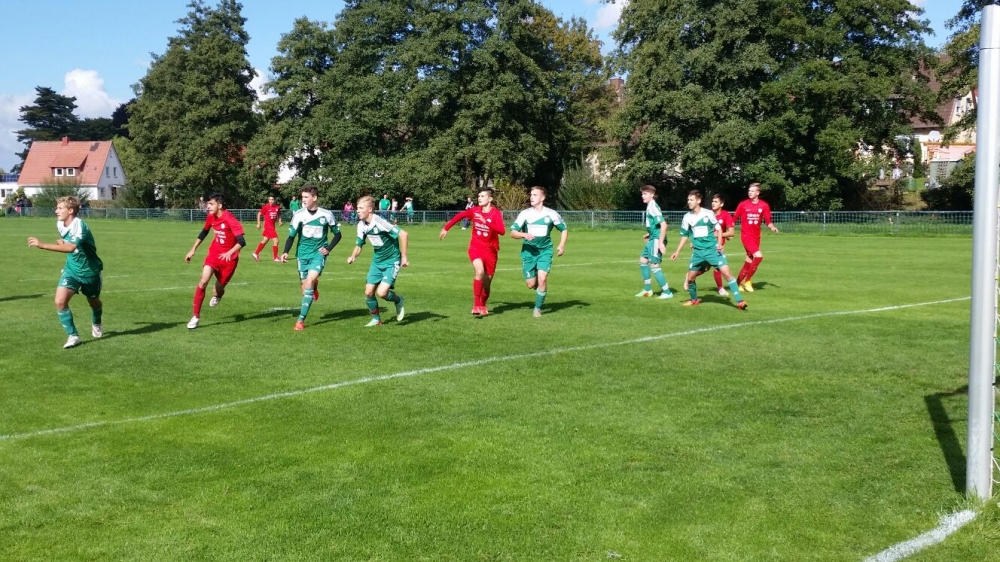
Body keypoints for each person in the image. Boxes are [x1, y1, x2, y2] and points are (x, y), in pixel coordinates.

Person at [27, 196, 104, 349]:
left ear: (70, 211)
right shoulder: (60, 224)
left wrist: (42, 245)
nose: (56, 211)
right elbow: (68, 243)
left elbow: (71, 248)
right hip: (71, 270)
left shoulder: (79, 225)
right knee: (60, 301)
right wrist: (63, 242)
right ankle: (73, 336)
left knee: (94, 301)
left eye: (60, 208)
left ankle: (97, 322)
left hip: (90, 272)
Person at [669, 190, 747, 310]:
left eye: (691, 200)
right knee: (690, 278)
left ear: (698, 201)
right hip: (698, 252)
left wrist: (719, 243)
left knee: (727, 274)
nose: (689, 202)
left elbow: (719, 229)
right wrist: (677, 251)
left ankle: (739, 301)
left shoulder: (708, 213)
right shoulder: (687, 217)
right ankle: (694, 300)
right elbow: (684, 235)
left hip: (712, 250)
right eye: (688, 200)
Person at [281, 184, 342, 331]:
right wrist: (285, 251)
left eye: (306, 197)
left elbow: (338, 234)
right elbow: (291, 236)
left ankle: (300, 321)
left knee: (309, 282)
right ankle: (314, 286)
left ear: (314, 198)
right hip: (302, 255)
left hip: (318, 254)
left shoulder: (326, 214)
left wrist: (328, 249)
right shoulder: (299, 215)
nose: (303, 200)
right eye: (302, 197)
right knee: (305, 289)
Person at [184, 193, 246, 329]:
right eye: (208, 204)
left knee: (217, 290)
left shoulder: (230, 219)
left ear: (220, 205)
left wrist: (229, 252)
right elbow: (204, 232)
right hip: (214, 255)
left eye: (211, 204)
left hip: (229, 260)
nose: (208, 206)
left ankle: (218, 295)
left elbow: (242, 241)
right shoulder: (211, 217)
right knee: (203, 281)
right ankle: (195, 316)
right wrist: (193, 249)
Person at [440, 188, 506, 316]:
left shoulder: (496, 213)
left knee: (487, 284)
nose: (479, 198)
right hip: (475, 247)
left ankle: (483, 304)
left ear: (490, 199)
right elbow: (461, 215)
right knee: (479, 271)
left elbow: (502, 231)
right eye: (479, 196)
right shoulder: (475, 210)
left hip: (491, 251)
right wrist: (446, 228)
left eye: (482, 196)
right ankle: (476, 305)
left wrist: (485, 222)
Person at [347, 195, 407, 327]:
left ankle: (398, 300)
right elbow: (359, 244)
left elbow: (403, 234)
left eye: (361, 208)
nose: (357, 211)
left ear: (369, 209)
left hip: (391, 260)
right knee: (368, 292)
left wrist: (404, 257)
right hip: (377, 261)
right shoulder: (361, 225)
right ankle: (376, 319)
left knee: (382, 293)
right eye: (357, 208)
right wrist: (353, 256)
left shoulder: (379, 222)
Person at [510, 186, 568, 318]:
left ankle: (537, 308)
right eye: (531, 195)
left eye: (535, 195)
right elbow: (512, 233)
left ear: (543, 197)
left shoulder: (552, 214)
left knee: (543, 278)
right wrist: (524, 234)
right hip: (528, 252)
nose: (531, 197)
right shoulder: (525, 214)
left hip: (545, 251)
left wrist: (561, 245)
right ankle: (538, 285)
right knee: (531, 284)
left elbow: (564, 229)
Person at [733, 182, 780, 292]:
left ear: (758, 193)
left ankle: (737, 284)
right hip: (746, 236)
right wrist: (727, 230)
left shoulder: (764, 205)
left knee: (749, 260)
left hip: (756, 237)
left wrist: (772, 227)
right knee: (758, 257)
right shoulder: (743, 204)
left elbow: (768, 221)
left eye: (752, 191)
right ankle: (747, 281)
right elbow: (734, 218)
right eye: (749, 191)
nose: (750, 192)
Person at [690, 193, 735, 296]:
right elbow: (697, 229)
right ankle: (690, 277)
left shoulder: (725, 215)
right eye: (712, 201)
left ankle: (720, 288)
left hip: (717, 246)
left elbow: (731, 232)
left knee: (716, 267)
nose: (713, 203)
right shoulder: (707, 214)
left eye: (716, 202)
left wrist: (720, 235)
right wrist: (694, 241)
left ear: (721, 204)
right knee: (705, 268)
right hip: (705, 246)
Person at [635, 184, 673, 299]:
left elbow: (663, 224)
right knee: (643, 261)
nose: (642, 196)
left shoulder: (653, 206)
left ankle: (667, 292)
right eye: (642, 194)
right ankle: (647, 290)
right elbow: (656, 225)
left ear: (652, 195)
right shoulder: (650, 205)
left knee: (654, 265)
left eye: (645, 194)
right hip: (653, 237)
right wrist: (650, 233)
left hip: (656, 239)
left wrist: (660, 243)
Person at [253, 195, 283, 262]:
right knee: (276, 241)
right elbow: (259, 214)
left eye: (272, 199)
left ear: (274, 200)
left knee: (265, 240)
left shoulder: (277, 207)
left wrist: (280, 221)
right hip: (268, 226)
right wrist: (258, 224)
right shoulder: (266, 207)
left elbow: (279, 214)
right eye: (270, 199)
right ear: (268, 200)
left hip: (272, 226)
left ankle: (255, 253)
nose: (271, 201)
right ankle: (275, 257)